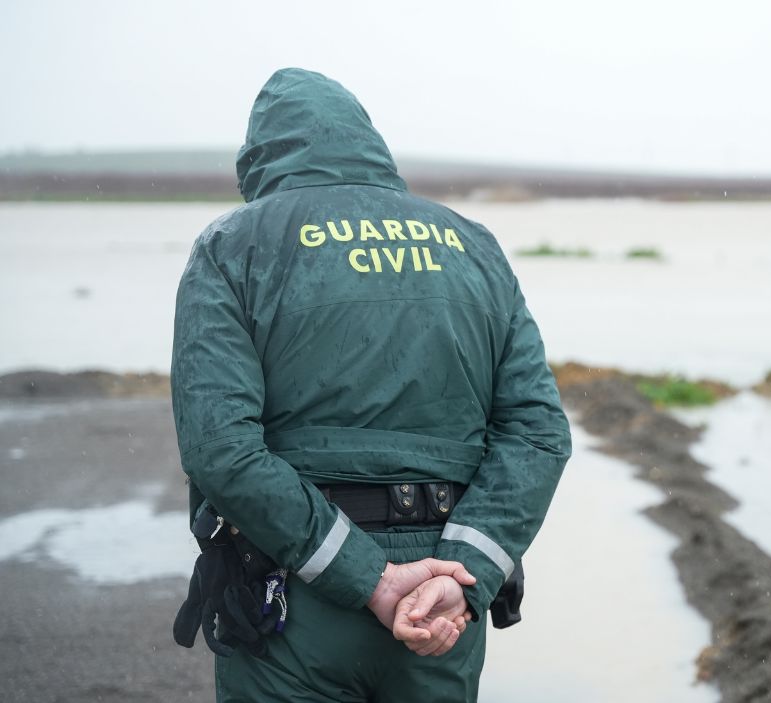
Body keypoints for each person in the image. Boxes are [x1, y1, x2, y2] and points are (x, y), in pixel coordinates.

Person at [170, 67, 571, 702]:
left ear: (258, 155)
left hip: (292, 597)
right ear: (367, 140)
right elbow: (540, 434)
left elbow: (220, 447)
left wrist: (372, 579)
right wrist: (466, 579)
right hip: (440, 602)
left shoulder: (232, 245)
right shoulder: (473, 246)